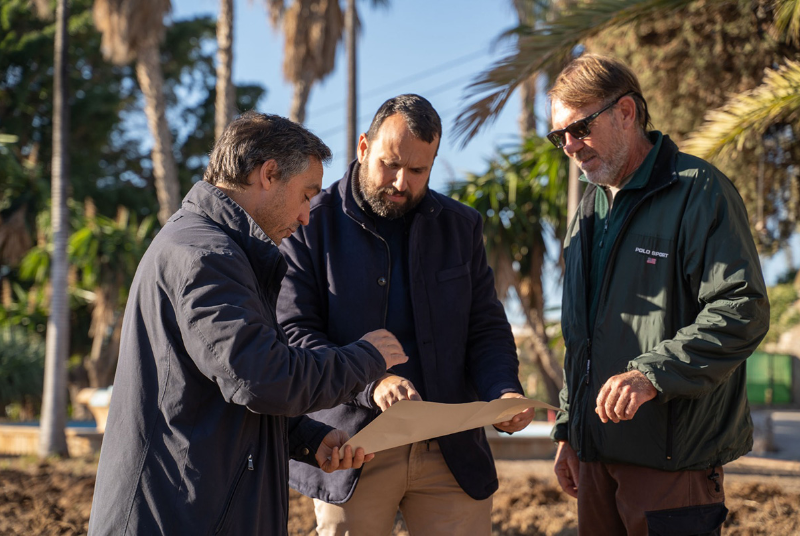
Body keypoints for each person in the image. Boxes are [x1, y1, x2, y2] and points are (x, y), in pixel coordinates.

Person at [88, 112, 409, 535]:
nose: (306, 216)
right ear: (269, 174)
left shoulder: (215, 249)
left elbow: (221, 388)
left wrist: (307, 438)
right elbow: (261, 378)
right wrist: (364, 359)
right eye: (305, 195)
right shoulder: (205, 257)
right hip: (176, 517)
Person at [277, 94, 535, 535]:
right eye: (390, 164)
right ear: (362, 147)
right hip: (351, 449)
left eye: (418, 171)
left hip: (450, 452)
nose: (401, 183)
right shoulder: (307, 224)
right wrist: (371, 380)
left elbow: (486, 328)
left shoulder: (461, 227)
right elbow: (294, 334)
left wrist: (504, 391)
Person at [548, 54, 770, 535]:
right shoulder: (587, 215)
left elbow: (742, 308)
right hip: (593, 464)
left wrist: (652, 374)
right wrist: (569, 429)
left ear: (626, 112)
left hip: (672, 468)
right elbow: (580, 338)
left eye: (579, 128)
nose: (569, 146)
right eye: (558, 135)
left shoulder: (698, 192)